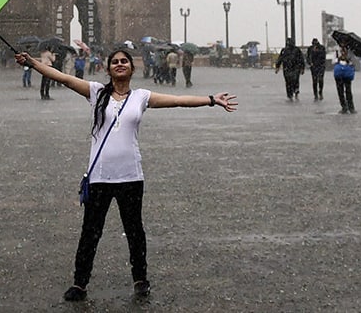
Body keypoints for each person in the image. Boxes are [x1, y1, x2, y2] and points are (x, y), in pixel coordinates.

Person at [16, 47, 237, 302]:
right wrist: (32, 63)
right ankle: (79, 283)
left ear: (132, 68)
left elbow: (177, 100)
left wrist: (211, 99)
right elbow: (63, 78)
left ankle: (140, 279)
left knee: (134, 231)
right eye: (115, 62)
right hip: (100, 176)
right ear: (108, 69)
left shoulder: (141, 97)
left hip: (130, 176)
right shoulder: (96, 93)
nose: (120, 64)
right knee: (90, 231)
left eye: (124, 61)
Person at [333, 48, 355, 114]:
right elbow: (333, 61)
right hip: (339, 75)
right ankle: (344, 107)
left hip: (347, 75)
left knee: (348, 91)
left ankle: (351, 107)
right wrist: (339, 59)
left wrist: (348, 60)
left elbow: (353, 63)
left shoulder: (350, 53)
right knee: (340, 92)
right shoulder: (336, 52)